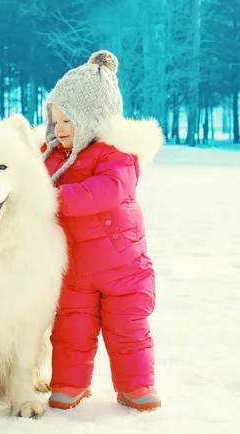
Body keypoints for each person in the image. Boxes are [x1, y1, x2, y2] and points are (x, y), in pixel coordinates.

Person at [40, 50, 164, 411]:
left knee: (128, 330)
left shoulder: (116, 155)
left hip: (123, 268)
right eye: (55, 120)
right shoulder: (49, 156)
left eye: (69, 120)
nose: (59, 128)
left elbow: (108, 191)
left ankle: (136, 386)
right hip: (74, 268)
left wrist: (52, 197)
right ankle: (68, 384)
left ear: (93, 118)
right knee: (70, 329)